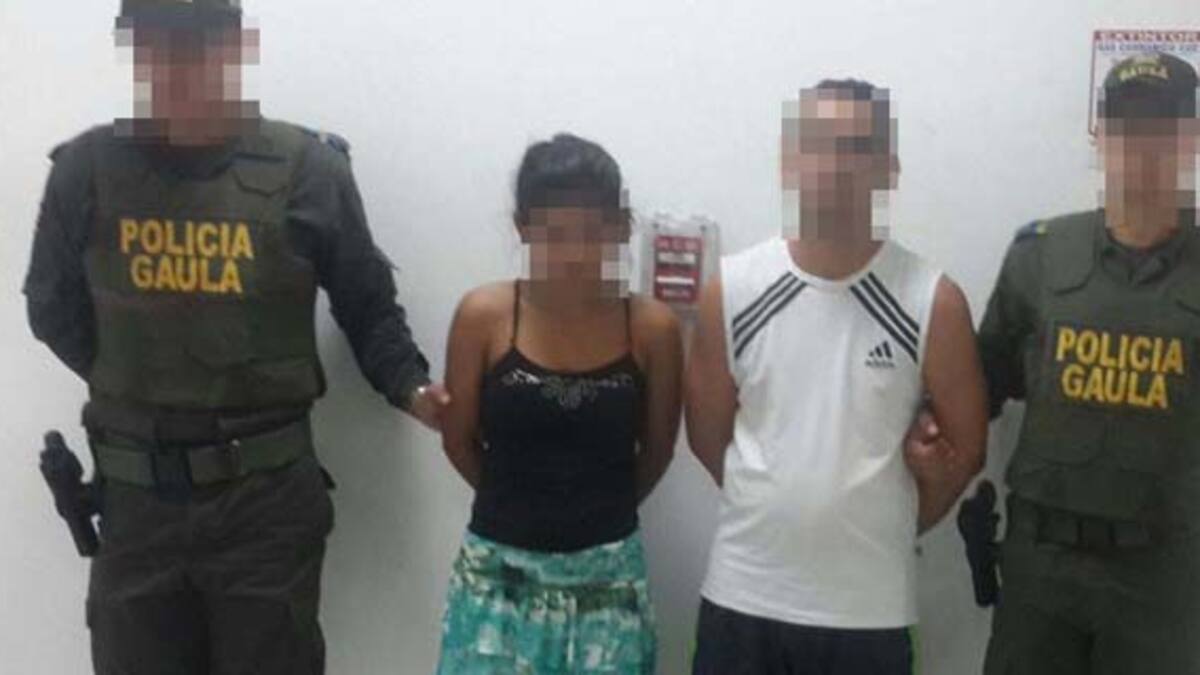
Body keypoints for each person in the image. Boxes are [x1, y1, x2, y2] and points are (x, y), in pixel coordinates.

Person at [21, 1, 447, 673]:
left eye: (195, 45)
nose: (175, 66)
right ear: (134, 52)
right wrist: (147, 376)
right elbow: (50, 307)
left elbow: (368, 307)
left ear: (233, 49)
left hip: (264, 503)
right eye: (156, 47)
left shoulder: (308, 168)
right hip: (137, 501)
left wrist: (414, 389)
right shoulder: (85, 168)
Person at [685, 79, 988, 674]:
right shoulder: (733, 288)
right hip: (744, 596)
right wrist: (777, 505)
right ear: (788, 161)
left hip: (870, 611)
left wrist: (889, 522)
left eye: (855, 148)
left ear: (888, 170)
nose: (834, 166)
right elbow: (706, 436)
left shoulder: (933, 300)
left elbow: (966, 451)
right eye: (817, 144)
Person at [955, 52, 1200, 675]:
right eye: (1125, 127)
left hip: (1165, 577)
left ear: (1191, 138)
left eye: (1161, 127)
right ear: (1100, 138)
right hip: (1044, 569)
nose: (1141, 147)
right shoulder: (1039, 256)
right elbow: (978, 389)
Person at [436, 133, 683, 674]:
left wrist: (592, 513)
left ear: (621, 227)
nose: (575, 253)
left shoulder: (652, 329)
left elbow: (658, 450)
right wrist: (521, 505)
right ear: (523, 227)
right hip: (496, 582)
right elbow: (457, 440)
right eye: (555, 235)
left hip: (609, 586)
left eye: (593, 233)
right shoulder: (484, 316)